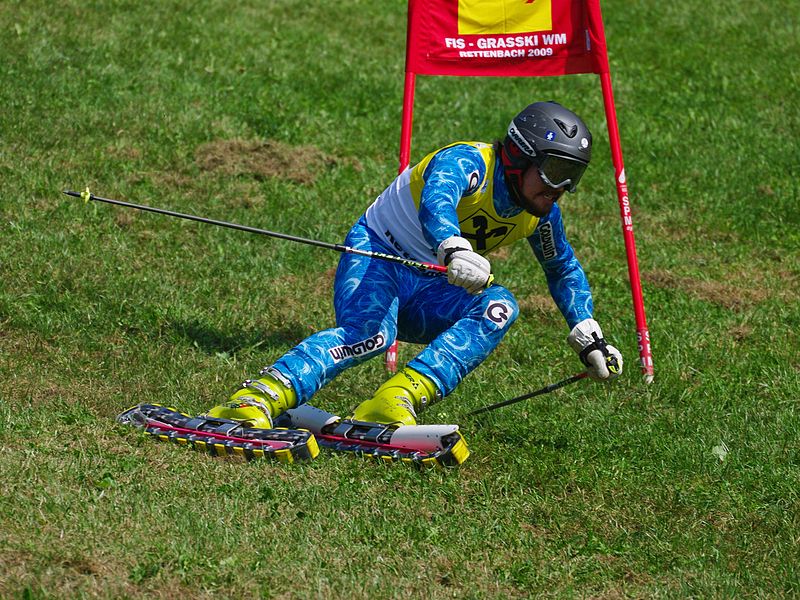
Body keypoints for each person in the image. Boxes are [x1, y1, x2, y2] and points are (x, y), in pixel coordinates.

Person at [206, 101, 623, 429]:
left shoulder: (540, 214)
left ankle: (393, 401)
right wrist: (454, 248)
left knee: (499, 308)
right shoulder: (468, 162)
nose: (563, 187)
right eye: (554, 170)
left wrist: (587, 333)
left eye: (573, 175)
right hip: (379, 255)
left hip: (430, 286)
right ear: (519, 156)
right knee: (369, 336)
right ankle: (257, 397)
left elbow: (562, 268)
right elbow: (437, 202)